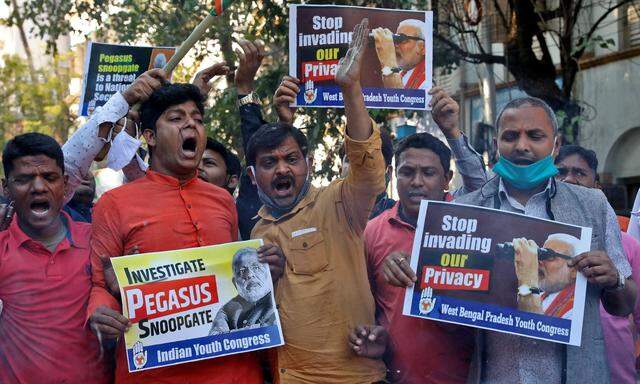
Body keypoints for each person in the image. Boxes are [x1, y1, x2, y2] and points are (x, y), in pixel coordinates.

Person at [383, 96, 636, 383]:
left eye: (535, 136)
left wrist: (614, 279)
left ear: (555, 144)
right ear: (496, 144)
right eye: (511, 136)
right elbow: (446, 316)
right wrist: (414, 268)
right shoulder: (467, 210)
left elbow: (623, 305)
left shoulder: (592, 206)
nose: (522, 146)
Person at [87, 82, 285, 383]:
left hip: (234, 371)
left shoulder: (222, 200)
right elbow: (102, 284)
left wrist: (267, 266)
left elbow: (234, 278)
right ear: (150, 136)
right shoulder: (113, 205)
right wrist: (101, 313)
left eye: (198, 119)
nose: (191, 124)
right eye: (177, 118)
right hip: (155, 372)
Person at [249, 19, 387, 383]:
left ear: (307, 164)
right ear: (253, 176)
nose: (282, 169)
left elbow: (368, 170)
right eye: (269, 162)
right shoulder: (255, 231)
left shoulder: (339, 204)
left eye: (291, 159)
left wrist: (350, 88)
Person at [353, 88, 486, 383]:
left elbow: (483, 188)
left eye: (428, 172)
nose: (417, 182)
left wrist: (451, 130)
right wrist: (372, 333)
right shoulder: (373, 231)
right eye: (407, 172)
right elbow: (363, 306)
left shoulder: (470, 224)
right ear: (393, 175)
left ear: (447, 179)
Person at [0, 133, 109, 383]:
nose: (38, 187)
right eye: (24, 179)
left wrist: (115, 297)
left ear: (65, 182)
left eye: (49, 177)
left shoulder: (96, 240)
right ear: (6, 188)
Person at [554, 143, 640, 383]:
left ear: (597, 186)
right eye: (561, 172)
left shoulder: (628, 245)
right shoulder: (542, 239)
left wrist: (616, 280)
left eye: (579, 173)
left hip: (617, 372)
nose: (569, 180)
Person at [210, 247, 275, 334]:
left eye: (256, 267)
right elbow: (215, 339)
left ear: (268, 272)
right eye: (242, 271)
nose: (249, 274)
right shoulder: (228, 309)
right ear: (235, 283)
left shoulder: (280, 295)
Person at [511, 234, 579, 318]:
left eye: (549, 256)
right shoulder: (536, 295)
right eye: (540, 254)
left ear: (574, 270)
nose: (539, 261)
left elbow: (531, 325)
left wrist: (527, 276)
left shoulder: (577, 308)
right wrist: (523, 277)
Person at [339, 128, 396, 219]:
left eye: (370, 159)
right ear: (341, 171)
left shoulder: (404, 220)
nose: (358, 167)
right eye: (350, 159)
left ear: (388, 173)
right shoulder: (323, 215)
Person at [372, 19, 427, 89]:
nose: (396, 45)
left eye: (402, 39)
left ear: (422, 48)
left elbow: (399, 97)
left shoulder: (427, 82)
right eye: (395, 39)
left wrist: (388, 59)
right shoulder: (399, 71)